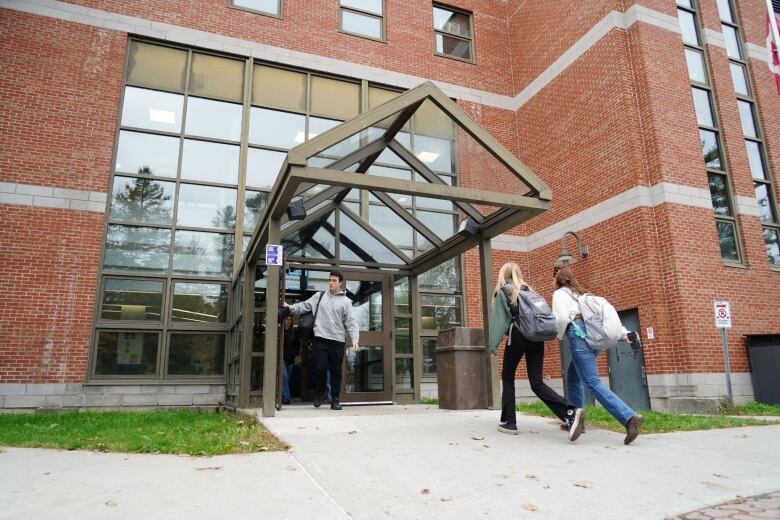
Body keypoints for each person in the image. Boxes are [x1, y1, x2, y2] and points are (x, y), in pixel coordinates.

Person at [489, 262, 585, 440]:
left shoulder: (505, 291)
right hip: (536, 336)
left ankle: (510, 422)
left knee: (508, 376)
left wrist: (493, 345)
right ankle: (570, 412)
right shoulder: (530, 291)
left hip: (518, 335)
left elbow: (500, 321)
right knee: (537, 383)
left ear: (504, 275)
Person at [551, 265, 644, 445]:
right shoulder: (583, 294)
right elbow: (601, 318)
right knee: (573, 377)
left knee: (591, 381)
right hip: (594, 339)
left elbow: (562, 319)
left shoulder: (560, 294)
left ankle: (629, 418)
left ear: (557, 279)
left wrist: (559, 335)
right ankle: (575, 420)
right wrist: (624, 333)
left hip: (578, 335)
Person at [284, 270, 359, 410]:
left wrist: (355, 339)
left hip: (337, 341)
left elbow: (351, 322)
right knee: (320, 368)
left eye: (334, 280)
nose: (331, 282)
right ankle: (320, 393)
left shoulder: (346, 302)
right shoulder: (320, 296)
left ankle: (335, 400)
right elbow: (304, 306)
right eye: (330, 280)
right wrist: (290, 308)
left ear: (340, 283)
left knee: (336, 372)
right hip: (320, 339)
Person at [281, 316, 299, 405]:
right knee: (284, 377)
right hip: (282, 358)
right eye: (286, 319)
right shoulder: (280, 331)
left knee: (287, 379)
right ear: (283, 320)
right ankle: (287, 397)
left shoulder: (294, 332)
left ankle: (282, 396)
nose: (288, 321)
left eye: (290, 320)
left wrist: (295, 355)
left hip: (291, 359)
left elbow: (297, 346)